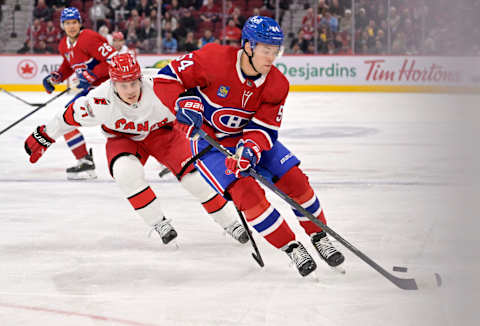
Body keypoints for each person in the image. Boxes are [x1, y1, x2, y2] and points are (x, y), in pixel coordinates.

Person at [154, 16, 345, 277]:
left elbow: (264, 128)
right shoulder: (212, 59)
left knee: (295, 180)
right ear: (248, 45)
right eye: (266, 50)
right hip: (209, 145)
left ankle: (319, 235)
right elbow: (166, 79)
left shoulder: (277, 83)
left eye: (275, 51)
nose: (271, 57)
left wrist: (249, 150)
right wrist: (181, 105)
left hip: (247, 138)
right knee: (247, 195)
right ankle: (292, 248)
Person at [25, 53, 249, 246]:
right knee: (125, 173)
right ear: (113, 84)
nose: (130, 90)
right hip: (124, 139)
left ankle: (230, 223)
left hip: (164, 134)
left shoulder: (161, 84)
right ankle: (159, 223)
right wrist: (45, 135)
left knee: (195, 178)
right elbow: (67, 117)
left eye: (134, 83)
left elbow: (203, 91)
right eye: (124, 85)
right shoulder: (99, 100)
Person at [42, 7, 118, 180]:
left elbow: (113, 59)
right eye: (67, 23)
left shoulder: (89, 38)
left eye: (74, 22)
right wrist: (57, 77)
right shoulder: (64, 45)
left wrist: (93, 74)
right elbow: (69, 66)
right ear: (62, 25)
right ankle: (84, 160)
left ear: (80, 23)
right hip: (92, 90)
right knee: (65, 118)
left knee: (124, 125)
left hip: (108, 87)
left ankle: (167, 154)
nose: (71, 26)